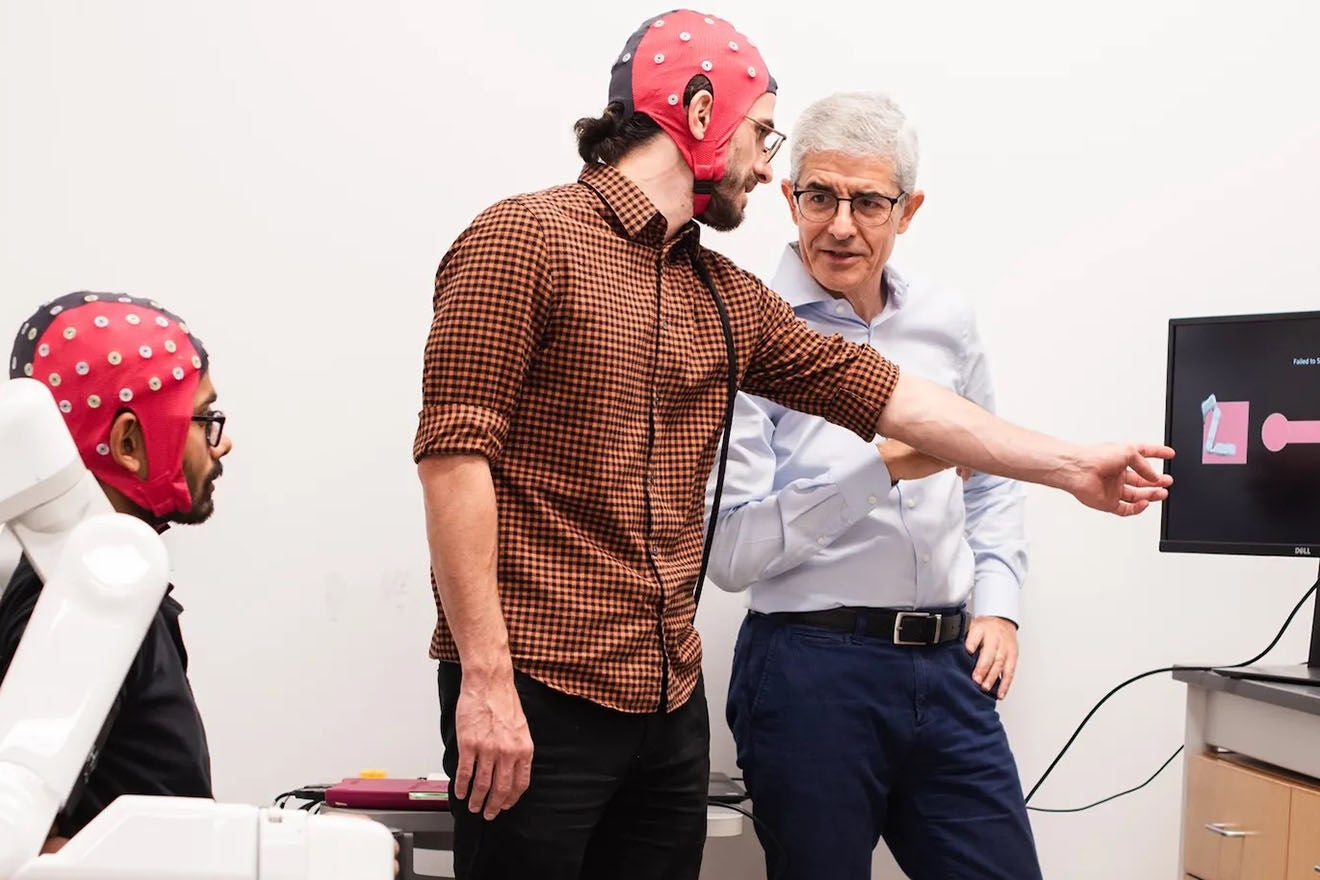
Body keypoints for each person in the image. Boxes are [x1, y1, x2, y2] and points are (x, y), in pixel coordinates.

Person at [413, 10, 1171, 880]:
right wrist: (484, 679)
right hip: (542, 688)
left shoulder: (721, 293)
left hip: (666, 701)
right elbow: (452, 459)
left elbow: (893, 396)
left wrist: (1073, 466)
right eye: (764, 134)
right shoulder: (524, 237)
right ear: (700, 113)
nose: (767, 165)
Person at [709, 91, 1042, 880]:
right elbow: (730, 553)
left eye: (868, 201)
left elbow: (990, 479)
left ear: (909, 209)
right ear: (788, 197)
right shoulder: (745, 324)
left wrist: (999, 604)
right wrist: (882, 467)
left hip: (948, 667)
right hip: (810, 670)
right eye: (819, 196)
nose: (840, 226)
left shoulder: (944, 322)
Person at [2, 291, 231, 851]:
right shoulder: (73, 605)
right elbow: (28, 847)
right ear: (130, 443)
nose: (223, 444)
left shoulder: (101, 590)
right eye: (206, 420)